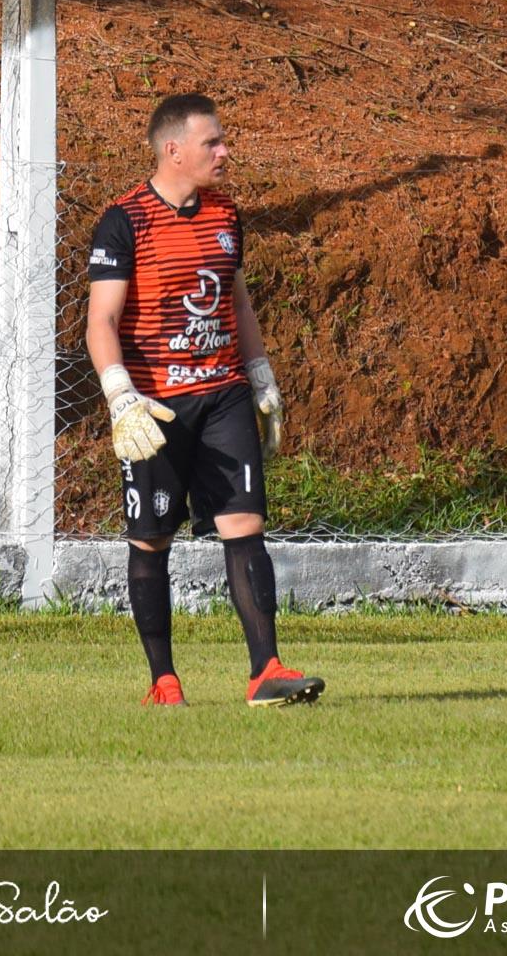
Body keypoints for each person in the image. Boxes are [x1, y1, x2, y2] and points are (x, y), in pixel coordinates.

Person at [85, 92, 322, 711]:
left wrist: (261, 375)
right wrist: (120, 397)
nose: (224, 151)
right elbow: (101, 321)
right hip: (158, 408)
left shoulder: (226, 215)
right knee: (151, 539)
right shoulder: (124, 221)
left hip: (223, 396)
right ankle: (163, 681)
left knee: (245, 526)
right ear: (174, 150)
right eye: (212, 142)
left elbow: (238, 303)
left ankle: (266, 671)